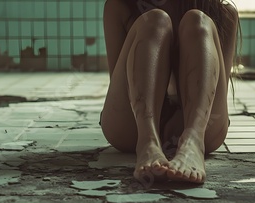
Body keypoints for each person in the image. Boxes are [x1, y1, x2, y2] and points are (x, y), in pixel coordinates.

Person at [100, 0, 239, 183]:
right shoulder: (120, 6)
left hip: (202, 126)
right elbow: (119, 85)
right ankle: (147, 142)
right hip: (134, 126)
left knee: (198, 20)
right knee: (155, 20)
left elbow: (218, 92)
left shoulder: (224, 13)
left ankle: (193, 142)